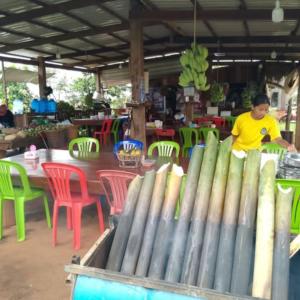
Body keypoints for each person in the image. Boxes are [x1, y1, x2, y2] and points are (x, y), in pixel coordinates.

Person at [231, 94, 296, 152]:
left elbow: (278, 139)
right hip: (238, 151)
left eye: (266, 110)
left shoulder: (270, 121)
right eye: (260, 109)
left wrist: (288, 146)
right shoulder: (241, 118)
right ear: (252, 107)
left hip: (254, 152)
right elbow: (234, 136)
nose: (263, 113)